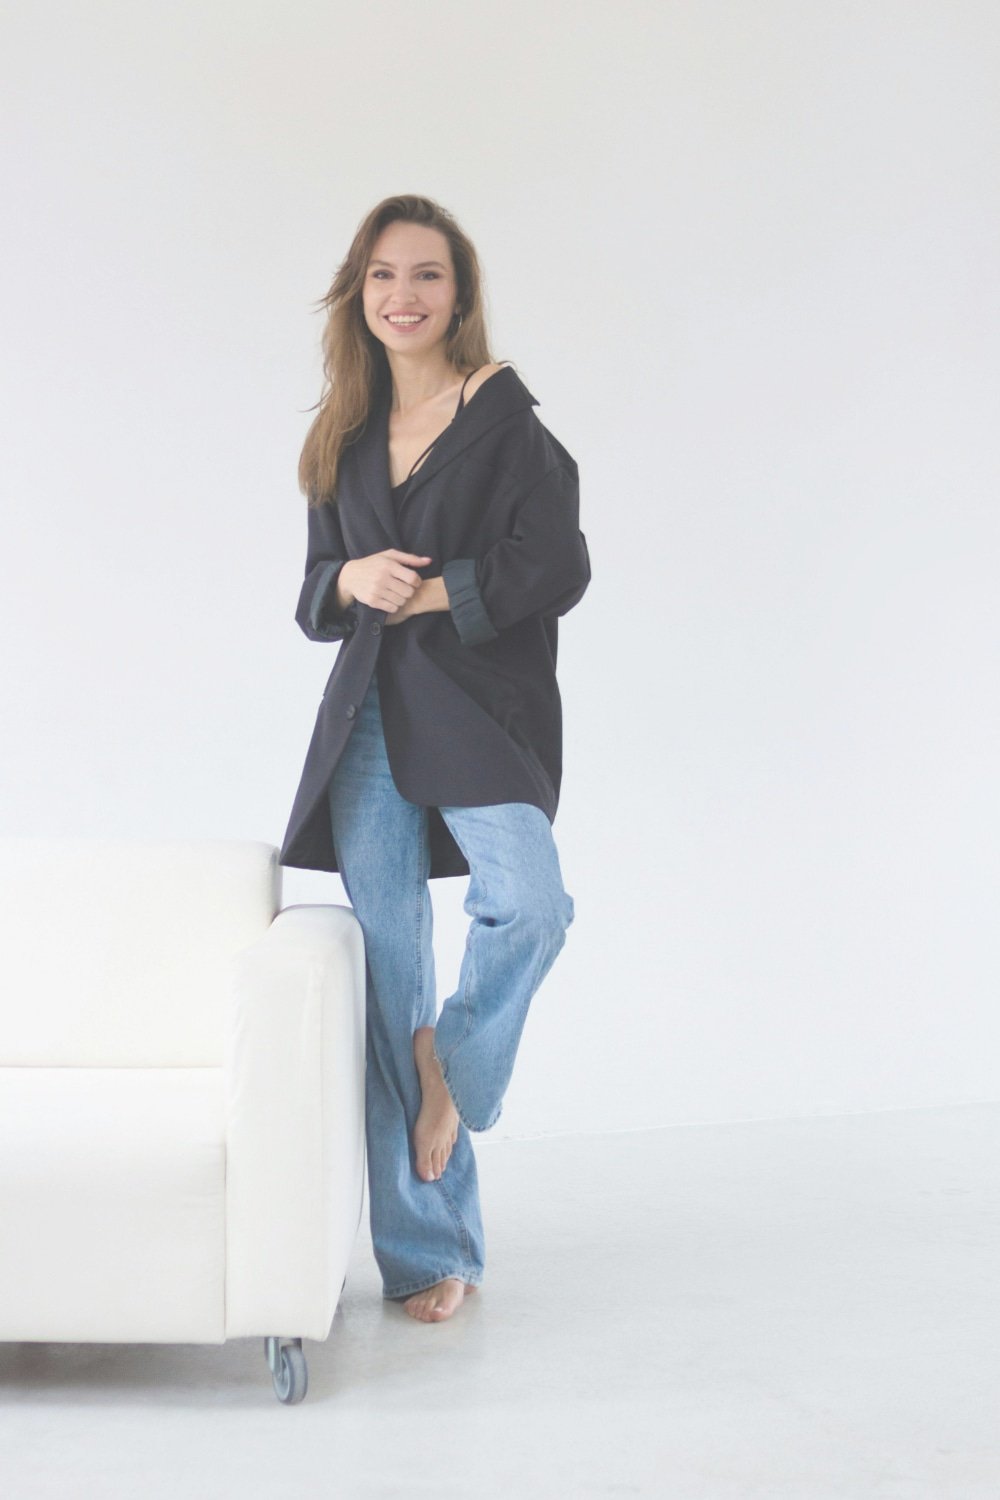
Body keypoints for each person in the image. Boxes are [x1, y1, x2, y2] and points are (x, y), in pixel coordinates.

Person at [279, 194, 590, 1323]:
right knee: (390, 978)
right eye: (382, 276)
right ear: (357, 295)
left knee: (532, 904)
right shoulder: (344, 432)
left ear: (459, 296)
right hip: (367, 717)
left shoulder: (503, 418)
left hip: (472, 712)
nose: (402, 295)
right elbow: (314, 594)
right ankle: (426, 1253)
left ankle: (449, 1071)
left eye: (426, 275)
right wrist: (347, 582)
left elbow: (556, 565)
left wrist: (433, 594)